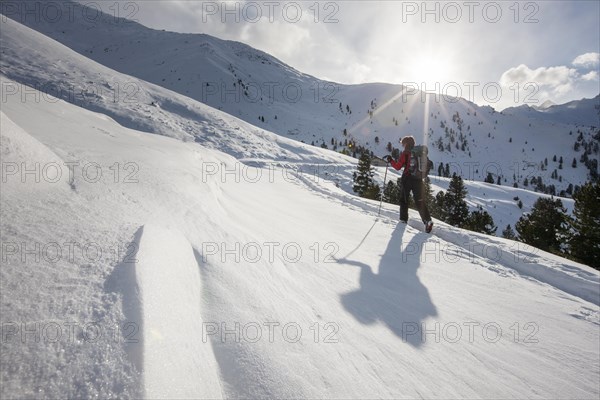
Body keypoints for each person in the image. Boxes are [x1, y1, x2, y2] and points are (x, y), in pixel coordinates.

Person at [385, 135, 434, 233]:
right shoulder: (419, 153)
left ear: (406, 144)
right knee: (419, 201)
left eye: (403, 144)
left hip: (407, 179)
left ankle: (403, 220)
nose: (403, 146)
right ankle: (427, 221)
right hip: (418, 180)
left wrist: (391, 161)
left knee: (404, 199)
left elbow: (398, 167)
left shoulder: (406, 153)